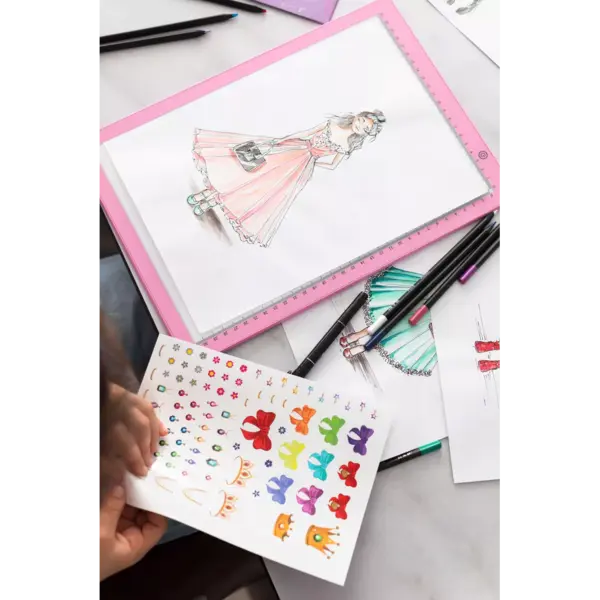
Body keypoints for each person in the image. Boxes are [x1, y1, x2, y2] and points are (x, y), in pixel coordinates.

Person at [187, 110, 386, 247]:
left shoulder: (347, 145)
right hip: (291, 150)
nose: (360, 126)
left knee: (261, 187)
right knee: (250, 174)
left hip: (301, 165)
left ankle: (207, 202)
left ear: (365, 135)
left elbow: (333, 165)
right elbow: (306, 133)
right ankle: (205, 197)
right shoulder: (333, 124)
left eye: (365, 129)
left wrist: (313, 163)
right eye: (362, 120)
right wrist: (281, 141)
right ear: (358, 116)